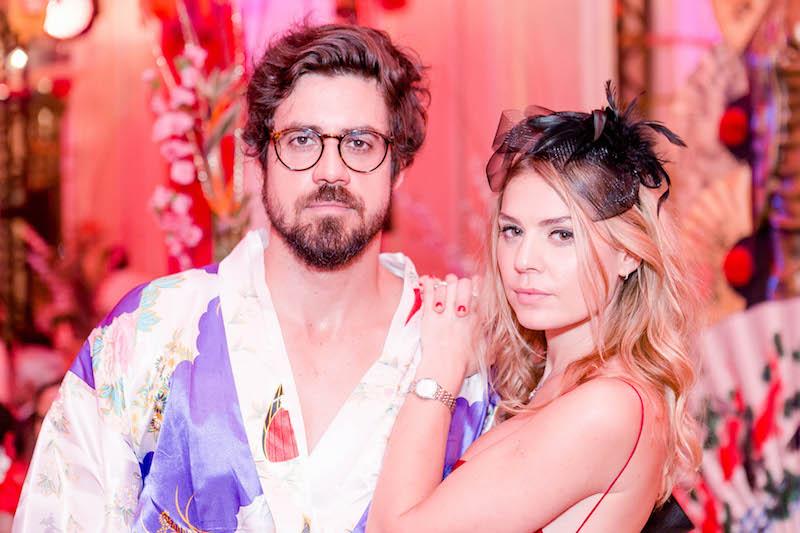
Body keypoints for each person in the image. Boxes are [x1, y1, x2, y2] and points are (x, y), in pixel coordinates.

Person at [13, 24, 490, 532]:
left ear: (399, 166)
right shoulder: (151, 331)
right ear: (259, 158)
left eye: (360, 142)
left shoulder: (461, 347)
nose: (331, 170)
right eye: (302, 140)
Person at [366, 84, 702, 532]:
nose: (524, 260)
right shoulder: (553, 385)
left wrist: (439, 370)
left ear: (628, 253)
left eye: (561, 234)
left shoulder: (607, 407)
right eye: (512, 231)